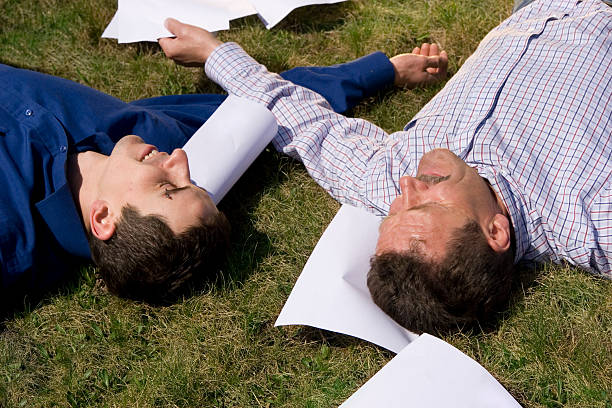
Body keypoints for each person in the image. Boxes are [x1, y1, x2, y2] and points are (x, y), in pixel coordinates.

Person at [160, 0, 610, 334]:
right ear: (496, 231)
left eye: (395, 209)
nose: (409, 185)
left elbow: (292, 115)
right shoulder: (586, 217)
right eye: (424, 207)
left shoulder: (382, 181)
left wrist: (213, 53)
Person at [0, 43, 447, 309]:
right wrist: (383, 71)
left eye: (167, 186)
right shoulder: (154, 135)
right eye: (188, 181)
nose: (179, 159)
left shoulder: (12, 239)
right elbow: (272, 103)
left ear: (103, 219)